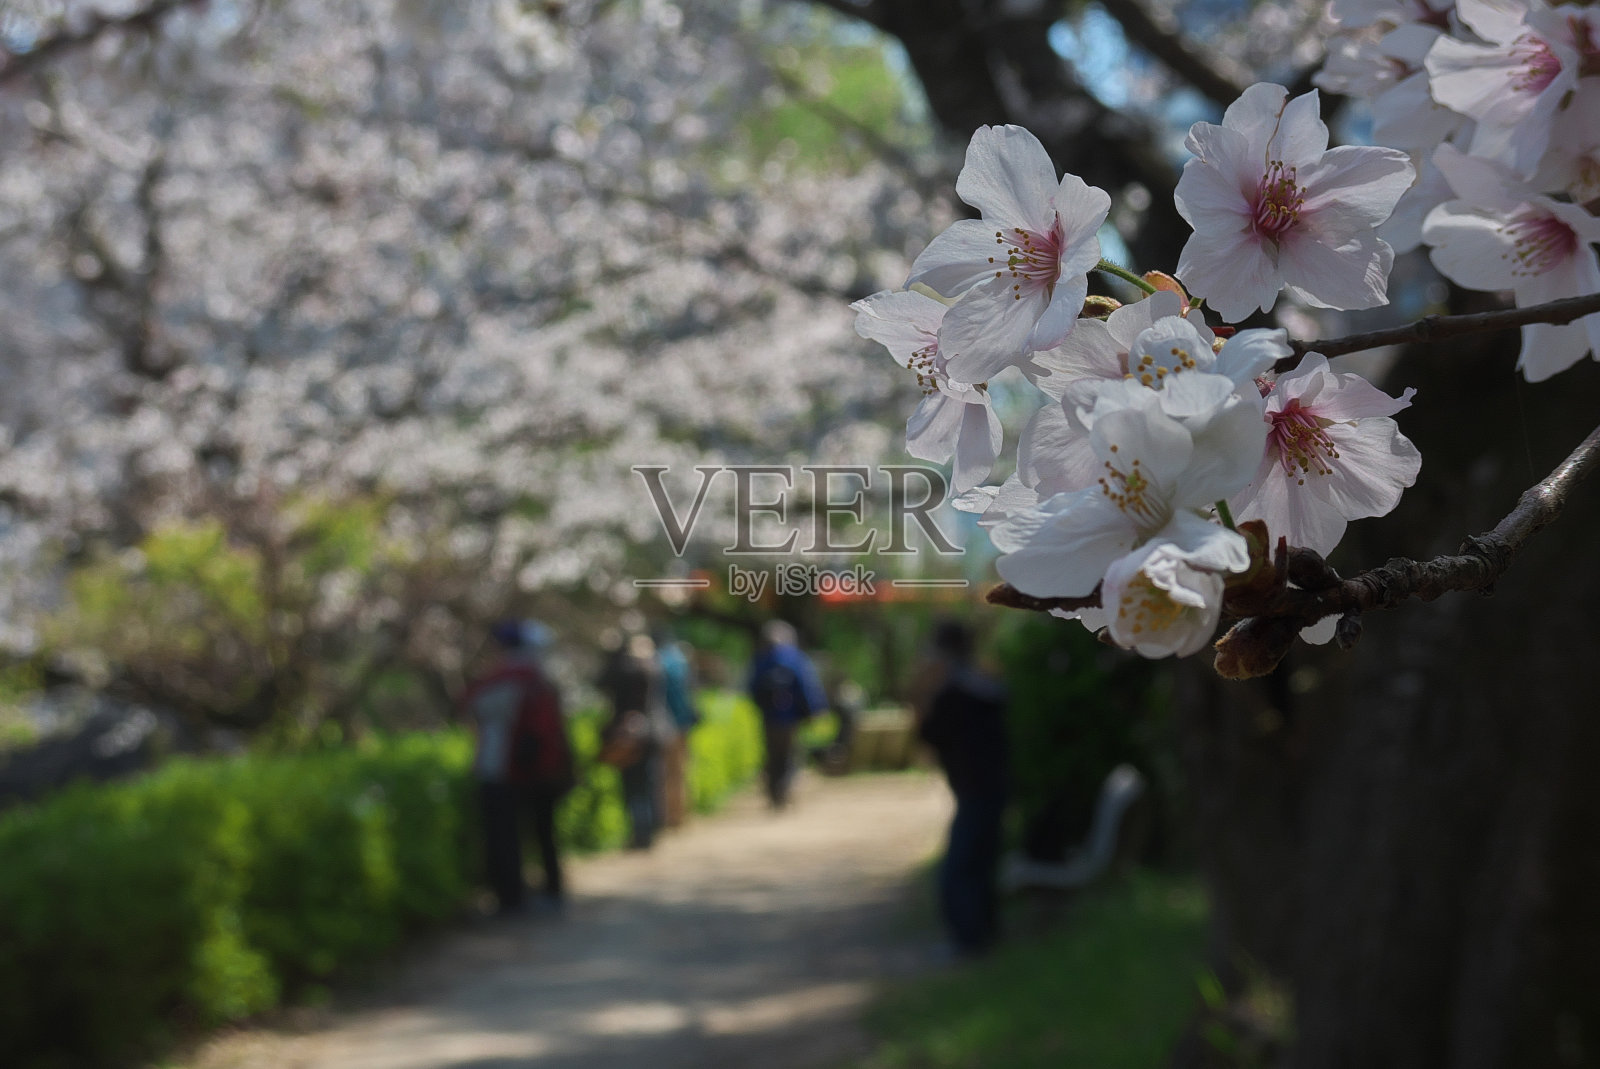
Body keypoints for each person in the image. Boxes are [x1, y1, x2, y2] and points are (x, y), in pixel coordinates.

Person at [461, 619, 575, 916]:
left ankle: (511, 897)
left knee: (505, 836)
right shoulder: (545, 679)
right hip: (543, 771)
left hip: (502, 769)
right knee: (544, 831)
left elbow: (471, 708)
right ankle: (552, 887)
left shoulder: (502, 680)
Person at [917, 618, 1008, 958]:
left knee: (958, 869)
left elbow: (928, 734)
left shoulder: (952, 690)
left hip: (974, 788)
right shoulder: (986, 684)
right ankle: (984, 934)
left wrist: (924, 690)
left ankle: (968, 941)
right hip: (993, 785)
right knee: (981, 862)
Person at [597, 630, 676, 849]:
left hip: (630, 736)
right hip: (653, 732)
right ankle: (652, 829)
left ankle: (641, 834)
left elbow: (601, 681)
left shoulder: (626, 669)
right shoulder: (656, 668)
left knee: (633, 785)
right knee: (651, 782)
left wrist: (613, 654)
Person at [746, 620, 827, 809]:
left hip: (769, 717)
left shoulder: (761, 659)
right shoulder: (796, 658)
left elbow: (752, 689)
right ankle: (784, 791)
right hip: (791, 718)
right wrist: (814, 711)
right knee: (789, 754)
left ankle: (774, 794)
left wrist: (761, 707)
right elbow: (807, 686)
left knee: (773, 754)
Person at [655, 630, 698, 828]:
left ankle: (666, 817)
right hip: (682, 723)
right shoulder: (681, 660)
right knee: (679, 771)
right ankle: (680, 815)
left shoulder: (657, 661)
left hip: (663, 723)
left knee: (663, 773)